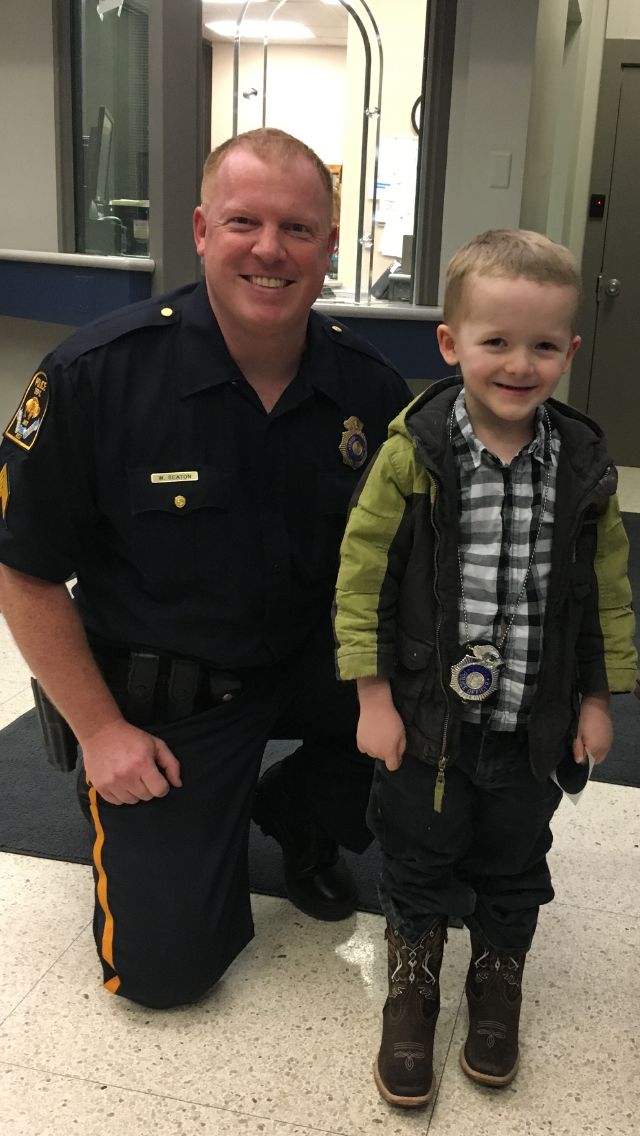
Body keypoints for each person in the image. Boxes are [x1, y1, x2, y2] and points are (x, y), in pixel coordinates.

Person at [0, 128, 410, 1010]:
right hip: (174, 689)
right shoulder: (97, 376)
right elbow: (24, 573)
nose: (271, 249)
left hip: (313, 665)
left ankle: (296, 813)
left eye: (298, 229)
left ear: (330, 246)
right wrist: (103, 730)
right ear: (197, 229)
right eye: (243, 221)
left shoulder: (371, 392)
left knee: (441, 707)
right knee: (163, 974)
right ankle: (112, 784)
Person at [333, 229, 637, 1108]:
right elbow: (362, 580)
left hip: (532, 717)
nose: (518, 363)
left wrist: (595, 697)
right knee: (418, 856)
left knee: (514, 856)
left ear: (570, 352)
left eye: (543, 345)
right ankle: (414, 984)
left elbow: (602, 590)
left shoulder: (581, 465)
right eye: (494, 341)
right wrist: (372, 695)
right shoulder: (412, 455)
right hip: (426, 717)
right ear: (450, 343)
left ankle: (496, 979)